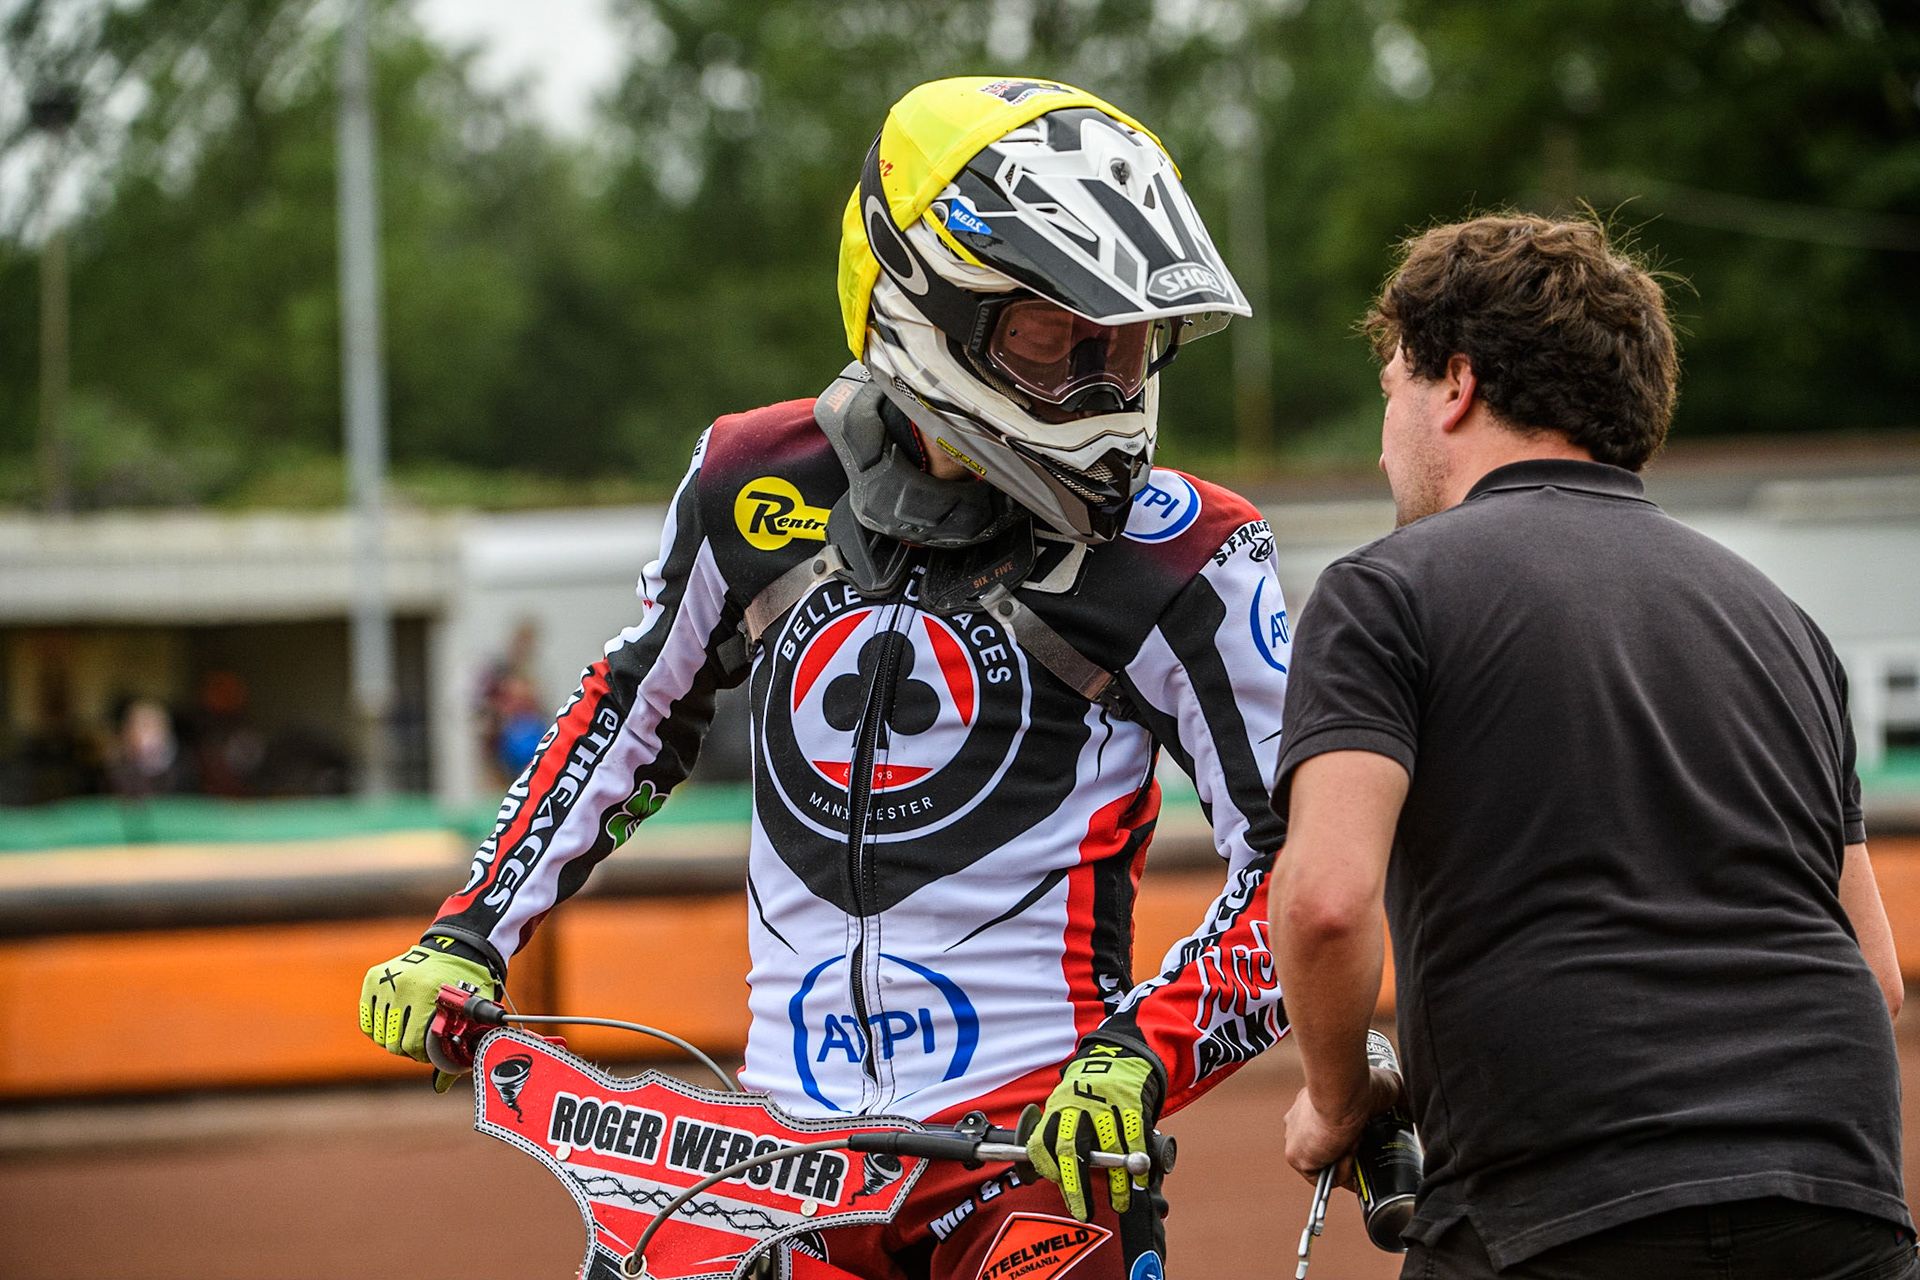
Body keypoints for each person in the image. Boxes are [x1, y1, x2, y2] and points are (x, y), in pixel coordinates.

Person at [359, 77, 1295, 1279]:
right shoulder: (752, 477)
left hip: (1033, 1153)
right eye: (1051, 336)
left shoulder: (1189, 550)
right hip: (779, 1159)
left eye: (1122, 344)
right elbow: (632, 708)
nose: (1101, 387)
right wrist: (472, 929)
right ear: (918, 301)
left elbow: (1302, 865)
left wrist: (1142, 1052)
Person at [1270, 212, 1912, 1279]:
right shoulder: (1781, 622)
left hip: (1554, 1203)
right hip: (1839, 1195)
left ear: (1457, 384)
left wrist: (1339, 1102)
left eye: (1392, 388)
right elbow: (1876, 976)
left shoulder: (1385, 591)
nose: (1383, 443)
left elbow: (1328, 902)